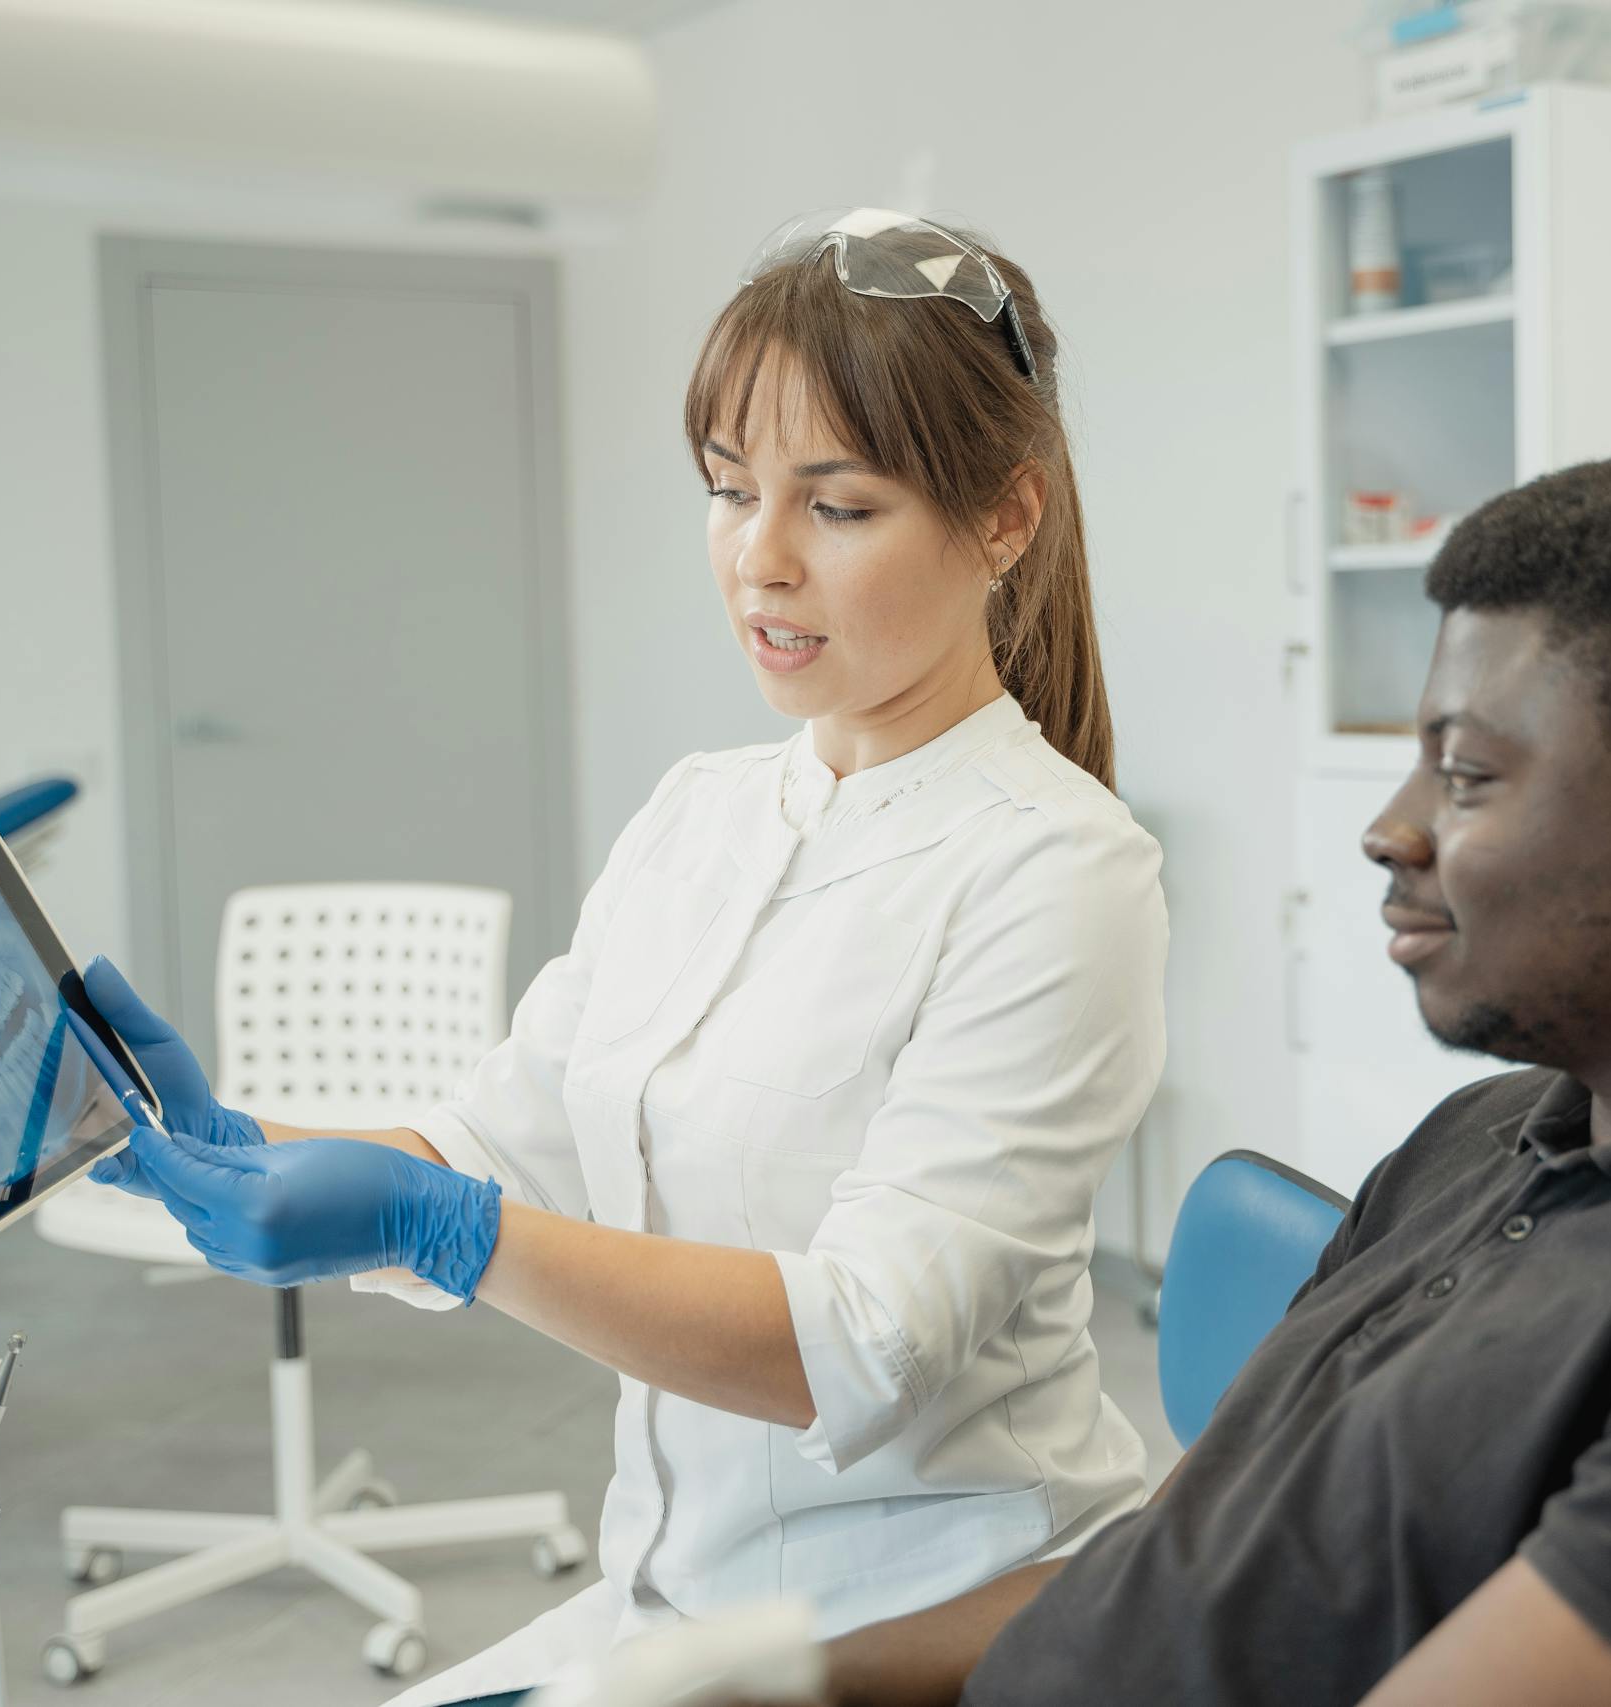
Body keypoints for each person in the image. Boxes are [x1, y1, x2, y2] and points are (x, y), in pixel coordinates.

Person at [810, 450, 1611, 1707]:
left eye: (1466, 774)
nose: (1392, 827)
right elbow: (1173, 1566)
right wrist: (781, 1677)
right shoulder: (1496, 1133)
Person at [88, 209, 1166, 1702]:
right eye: (730, 493)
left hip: (924, 1621)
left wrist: (442, 1230)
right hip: (672, 1589)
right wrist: (234, 1145)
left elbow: (859, 1345)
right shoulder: (701, 814)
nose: (761, 562)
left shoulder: (1057, 870)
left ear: (1003, 519)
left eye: (839, 508)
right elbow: (501, 1140)